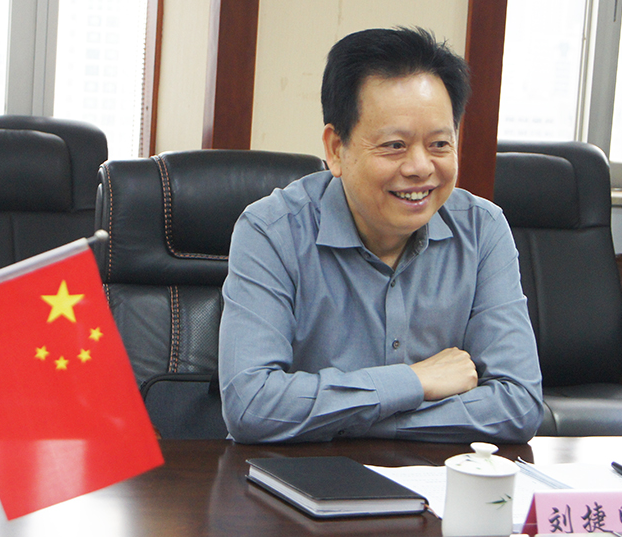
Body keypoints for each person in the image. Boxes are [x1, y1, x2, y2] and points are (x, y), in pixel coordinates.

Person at [218, 27, 543, 444]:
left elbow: (519, 405)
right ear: (336, 149)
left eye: (439, 144)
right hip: (300, 475)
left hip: (435, 478)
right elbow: (251, 406)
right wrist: (415, 382)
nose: (420, 167)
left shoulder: (482, 230)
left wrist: (353, 419)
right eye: (394, 145)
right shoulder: (271, 231)